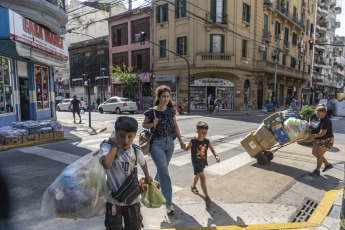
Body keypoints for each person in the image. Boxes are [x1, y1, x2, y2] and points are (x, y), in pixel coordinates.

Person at [99, 116, 153, 230]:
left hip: (133, 200)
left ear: (135, 135)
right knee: (113, 227)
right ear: (115, 133)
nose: (126, 140)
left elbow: (143, 163)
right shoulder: (107, 147)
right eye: (121, 136)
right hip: (113, 201)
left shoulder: (136, 150)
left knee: (134, 226)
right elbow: (106, 164)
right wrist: (114, 146)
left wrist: (148, 177)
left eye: (130, 136)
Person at [142, 85, 185, 214]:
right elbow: (144, 125)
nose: (166, 99)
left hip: (170, 144)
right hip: (156, 144)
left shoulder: (171, 111)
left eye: (168, 96)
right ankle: (168, 202)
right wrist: (152, 124)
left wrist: (181, 140)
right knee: (164, 172)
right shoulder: (151, 111)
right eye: (163, 96)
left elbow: (176, 127)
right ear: (158, 97)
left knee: (162, 169)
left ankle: (152, 191)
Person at [182, 121, 220, 206]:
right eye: (202, 132)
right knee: (202, 177)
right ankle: (207, 197)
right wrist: (183, 148)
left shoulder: (207, 141)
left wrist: (216, 156)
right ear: (197, 131)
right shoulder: (193, 141)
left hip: (203, 161)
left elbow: (212, 149)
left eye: (206, 132)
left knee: (198, 175)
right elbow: (187, 149)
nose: (204, 134)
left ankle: (193, 186)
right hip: (196, 162)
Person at [309, 104, 334, 177]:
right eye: (318, 114)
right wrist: (310, 126)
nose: (319, 116)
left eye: (321, 115)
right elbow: (310, 119)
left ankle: (317, 171)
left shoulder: (326, 120)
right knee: (314, 153)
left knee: (319, 155)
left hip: (325, 139)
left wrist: (313, 136)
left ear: (325, 113)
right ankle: (328, 164)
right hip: (317, 138)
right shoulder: (315, 114)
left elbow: (322, 133)